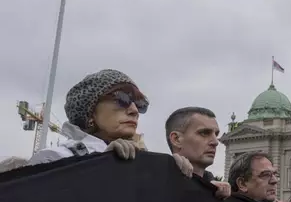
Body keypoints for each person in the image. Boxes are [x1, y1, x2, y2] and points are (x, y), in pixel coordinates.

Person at [26, 69, 190, 177]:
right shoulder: (53, 159)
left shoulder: (148, 164)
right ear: (90, 112)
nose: (134, 110)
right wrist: (102, 165)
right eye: (122, 99)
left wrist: (176, 179)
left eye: (139, 104)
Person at [165, 107, 230, 198]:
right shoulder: (152, 183)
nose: (215, 142)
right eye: (204, 133)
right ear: (176, 139)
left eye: (216, 134)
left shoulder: (217, 192)